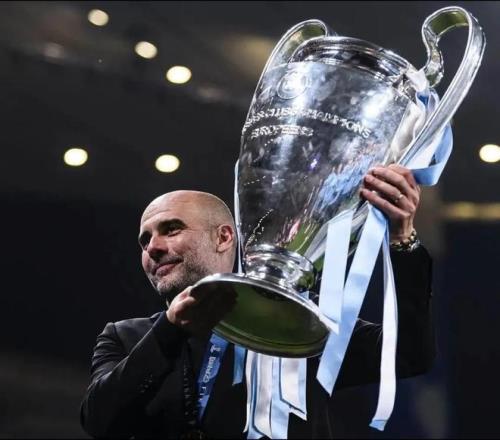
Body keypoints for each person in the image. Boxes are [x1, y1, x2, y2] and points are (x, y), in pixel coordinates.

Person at [80, 164, 435, 439]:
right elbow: (99, 420)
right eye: (144, 241)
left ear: (223, 237)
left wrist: (402, 239)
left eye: (171, 229)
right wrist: (169, 332)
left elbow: (409, 354)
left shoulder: (296, 321)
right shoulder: (125, 338)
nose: (153, 247)